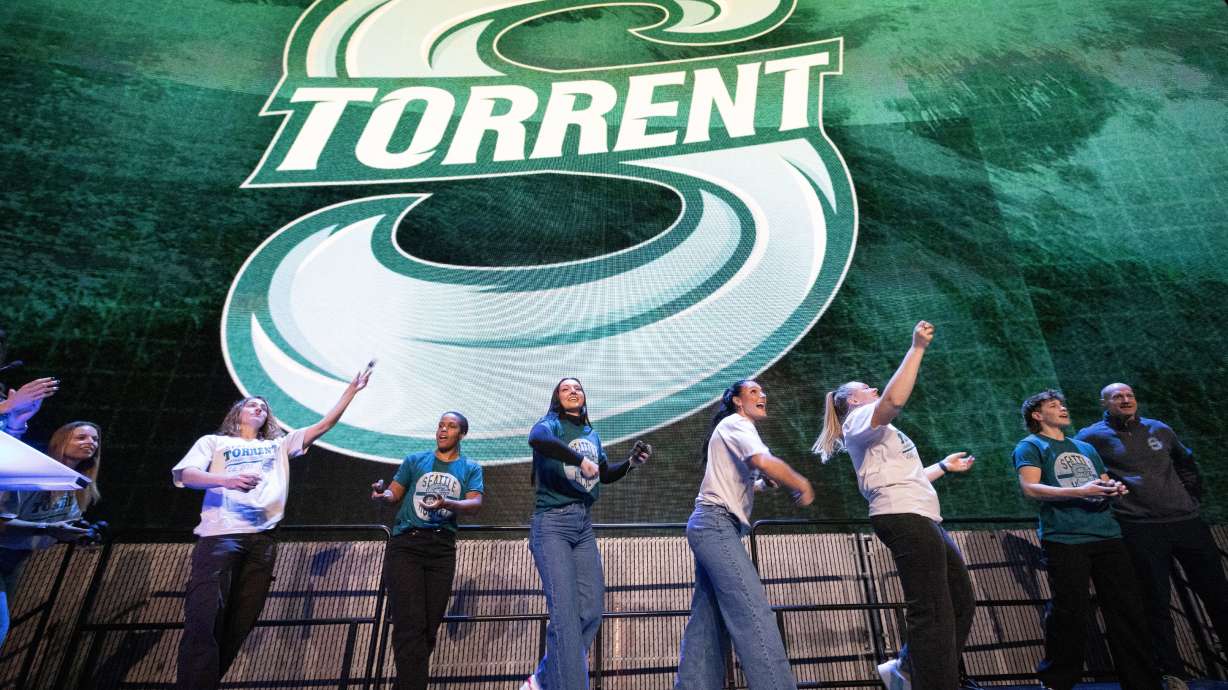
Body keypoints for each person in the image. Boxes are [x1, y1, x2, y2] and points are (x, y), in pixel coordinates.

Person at [171, 369, 370, 690]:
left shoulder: (278, 445)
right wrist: (227, 479)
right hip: (220, 536)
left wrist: (352, 391)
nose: (259, 409)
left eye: (263, 407)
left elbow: (324, 425)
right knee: (205, 616)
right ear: (236, 414)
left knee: (241, 621)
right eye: (252, 405)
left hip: (262, 541)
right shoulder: (215, 442)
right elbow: (187, 475)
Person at [813, 321, 978, 690]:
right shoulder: (859, 419)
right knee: (932, 608)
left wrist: (943, 468)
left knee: (960, 602)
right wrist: (916, 348)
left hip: (922, 515)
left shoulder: (878, 432)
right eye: (864, 389)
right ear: (852, 401)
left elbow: (908, 474)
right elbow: (894, 400)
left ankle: (905, 666)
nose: (872, 388)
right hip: (902, 517)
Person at [1076, 383, 1228, 688]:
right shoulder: (1090, 436)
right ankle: (1172, 672)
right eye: (1117, 397)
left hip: (1186, 523)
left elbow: (1186, 463)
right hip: (1140, 528)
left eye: (1130, 395)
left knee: (1218, 594)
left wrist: (1190, 499)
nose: (1126, 399)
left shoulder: (1160, 429)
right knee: (1155, 601)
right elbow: (1084, 473)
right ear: (1104, 403)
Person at [1012, 389, 1159, 690]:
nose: (1063, 408)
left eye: (1063, 404)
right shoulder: (1030, 445)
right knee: (1070, 611)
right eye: (1054, 406)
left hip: (1107, 535)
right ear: (1037, 415)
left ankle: (1142, 681)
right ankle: (1057, 681)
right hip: (1065, 538)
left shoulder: (1083, 447)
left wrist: (1113, 488)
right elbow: (1031, 488)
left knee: (1127, 609)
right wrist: (1081, 491)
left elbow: (1101, 482)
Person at [674, 379, 814, 690]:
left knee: (707, 624)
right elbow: (760, 461)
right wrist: (800, 483)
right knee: (753, 613)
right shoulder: (737, 423)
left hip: (712, 525)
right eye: (753, 391)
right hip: (715, 525)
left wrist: (763, 484)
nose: (762, 394)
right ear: (738, 401)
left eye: (763, 391)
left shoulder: (734, 428)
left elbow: (742, 479)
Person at [520, 378, 651, 690]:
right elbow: (537, 439)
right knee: (565, 617)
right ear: (557, 398)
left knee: (591, 613)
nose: (572, 391)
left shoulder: (592, 434)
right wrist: (579, 459)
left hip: (582, 526)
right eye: (565, 389)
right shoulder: (550, 424)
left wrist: (631, 464)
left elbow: (602, 473)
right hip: (552, 524)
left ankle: (542, 679)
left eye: (577, 388)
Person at [369, 411, 484, 690]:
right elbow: (394, 494)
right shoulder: (415, 461)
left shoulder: (470, 467)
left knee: (429, 628)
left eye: (451, 426)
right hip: (408, 545)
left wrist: (449, 504)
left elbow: (475, 502)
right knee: (410, 625)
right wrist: (381, 494)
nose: (443, 430)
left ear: (462, 434)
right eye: (441, 425)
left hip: (442, 548)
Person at [0, 421, 100, 646]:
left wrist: (81, 533)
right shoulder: (33, 475)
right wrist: (49, 529)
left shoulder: (77, 485)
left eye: (95, 439)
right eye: (81, 437)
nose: (90, 443)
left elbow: (61, 524)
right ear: (61, 441)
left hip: (16, 558)